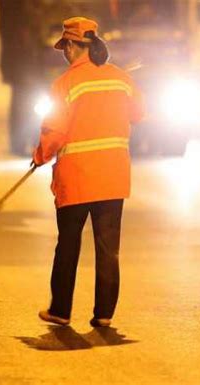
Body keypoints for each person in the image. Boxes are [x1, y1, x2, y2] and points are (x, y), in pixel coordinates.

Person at [32, 17, 144, 327]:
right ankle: (104, 314)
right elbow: (139, 113)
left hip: (77, 178)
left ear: (71, 46)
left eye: (65, 46)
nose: (64, 52)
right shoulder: (121, 79)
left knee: (68, 244)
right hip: (113, 177)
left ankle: (61, 311)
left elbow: (54, 132)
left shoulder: (64, 84)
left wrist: (40, 155)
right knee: (108, 248)